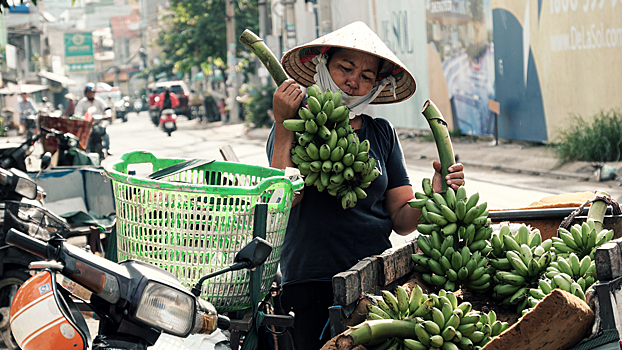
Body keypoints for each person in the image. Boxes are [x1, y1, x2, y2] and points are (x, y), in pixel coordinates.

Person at [266, 22, 465, 350]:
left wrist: (439, 192)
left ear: (377, 85)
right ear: (322, 65)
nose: (353, 81)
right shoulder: (295, 125)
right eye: (345, 68)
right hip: (311, 281)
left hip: (374, 277)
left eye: (367, 76)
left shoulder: (381, 133)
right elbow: (284, 197)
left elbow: (401, 218)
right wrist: (282, 124)